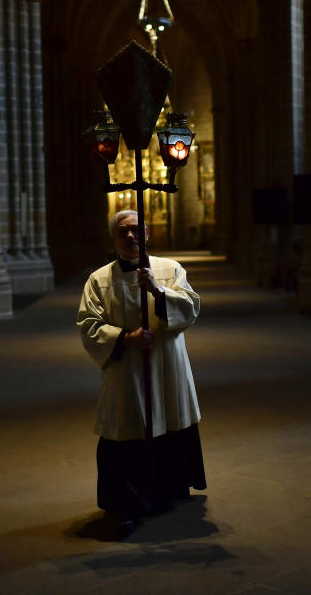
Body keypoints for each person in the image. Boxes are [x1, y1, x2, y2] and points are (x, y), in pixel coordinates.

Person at [77, 210, 206, 534]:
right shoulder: (99, 279)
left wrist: (157, 291)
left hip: (166, 364)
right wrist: (125, 339)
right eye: (124, 232)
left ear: (147, 233)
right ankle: (124, 502)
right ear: (114, 237)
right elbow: (89, 325)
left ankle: (168, 493)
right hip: (127, 370)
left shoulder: (170, 269)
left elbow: (190, 308)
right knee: (128, 427)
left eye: (137, 230)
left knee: (168, 421)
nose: (131, 237)